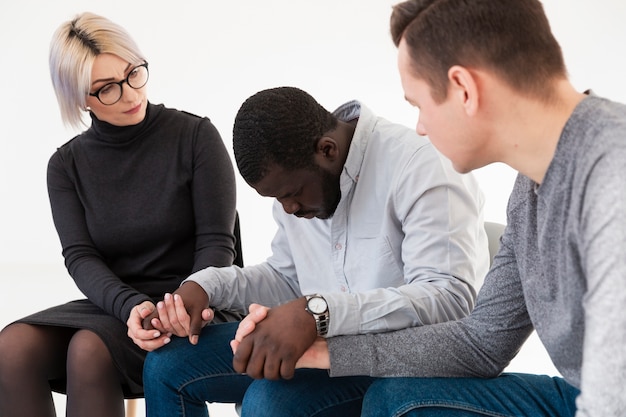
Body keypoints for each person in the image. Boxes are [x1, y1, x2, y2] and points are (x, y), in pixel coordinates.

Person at [234, 1, 626, 416]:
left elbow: (611, 398)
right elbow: (481, 344)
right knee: (396, 401)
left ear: (463, 89)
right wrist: (327, 350)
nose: (420, 126)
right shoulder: (528, 191)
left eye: (419, 103)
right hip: (585, 392)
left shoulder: (612, 172)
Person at [131, 86, 489, 417]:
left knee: (268, 402)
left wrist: (317, 313)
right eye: (276, 199)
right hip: (324, 345)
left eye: (290, 194)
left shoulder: (420, 165)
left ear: (327, 151)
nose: (288, 208)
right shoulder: (302, 183)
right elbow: (287, 278)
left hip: (403, 360)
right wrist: (206, 287)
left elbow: (449, 299)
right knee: (167, 365)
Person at [0, 12, 241, 417]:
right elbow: (80, 256)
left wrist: (181, 306)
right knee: (12, 347)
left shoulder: (196, 137)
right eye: (107, 89)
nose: (130, 95)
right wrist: (130, 307)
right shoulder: (66, 166)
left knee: (88, 349)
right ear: (79, 98)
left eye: (133, 75)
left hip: (195, 300)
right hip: (115, 305)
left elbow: (218, 244)